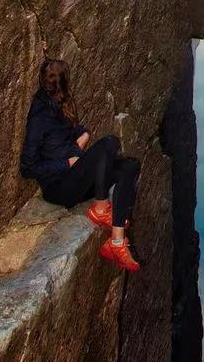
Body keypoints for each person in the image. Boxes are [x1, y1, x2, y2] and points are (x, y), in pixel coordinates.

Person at [20, 58, 141, 273]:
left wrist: (82, 136)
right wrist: (66, 162)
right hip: (59, 188)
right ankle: (100, 208)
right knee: (109, 143)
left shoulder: (60, 103)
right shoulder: (39, 115)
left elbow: (71, 132)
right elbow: (27, 167)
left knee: (130, 167)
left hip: (75, 178)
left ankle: (116, 242)